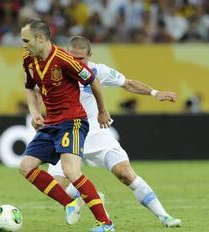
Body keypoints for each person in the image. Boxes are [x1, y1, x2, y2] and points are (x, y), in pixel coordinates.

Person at [47, 36, 182, 228]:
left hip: (94, 133)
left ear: (90, 56)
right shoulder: (56, 72)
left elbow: (127, 83)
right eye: (72, 58)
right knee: (57, 186)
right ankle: (89, 197)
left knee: (124, 172)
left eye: (81, 59)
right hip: (67, 134)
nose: (76, 63)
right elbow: (35, 90)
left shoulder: (97, 71)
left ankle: (164, 216)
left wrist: (155, 93)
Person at [19, 19, 115, 232]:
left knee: (70, 170)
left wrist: (102, 110)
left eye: (26, 40)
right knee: (26, 167)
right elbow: (29, 87)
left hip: (72, 121)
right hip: (50, 122)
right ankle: (70, 203)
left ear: (40, 39)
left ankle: (106, 224)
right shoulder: (28, 59)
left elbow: (93, 81)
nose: (23, 45)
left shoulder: (65, 60)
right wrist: (35, 113)